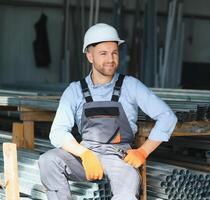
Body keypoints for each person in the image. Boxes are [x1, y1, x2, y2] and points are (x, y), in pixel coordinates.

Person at [38, 23, 177, 200]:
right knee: (48, 160)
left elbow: (167, 116)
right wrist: (84, 154)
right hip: (86, 157)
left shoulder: (131, 86)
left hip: (119, 159)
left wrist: (143, 151)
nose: (110, 59)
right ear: (90, 56)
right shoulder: (75, 90)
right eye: (103, 53)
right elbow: (57, 132)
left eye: (114, 52)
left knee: (127, 193)